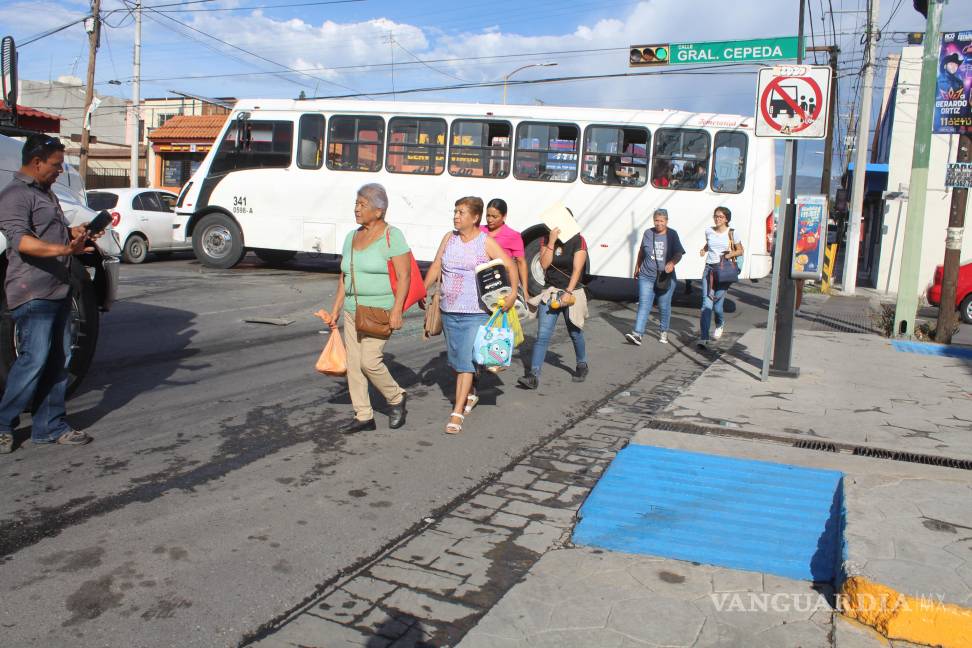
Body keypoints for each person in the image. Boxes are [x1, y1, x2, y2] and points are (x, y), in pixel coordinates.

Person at [0, 135, 101, 453]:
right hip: (34, 292)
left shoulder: (46, 193)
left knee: (60, 361)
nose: (60, 171)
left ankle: (49, 426)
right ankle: (3, 425)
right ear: (36, 162)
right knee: (34, 360)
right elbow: (21, 241)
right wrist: (65, 249)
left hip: (58, 289)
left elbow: (49, 233)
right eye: (56, 165)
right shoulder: (15, 195)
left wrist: (75, 233)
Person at [322, 183, 411, 434]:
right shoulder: (352, 237)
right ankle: (363, 416)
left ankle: (396, 397)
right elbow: (344, 275)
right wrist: (336, 309)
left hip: (380, 311)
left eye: (362, 204)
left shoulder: (393, 236)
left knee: (369, 362)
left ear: (379, 211)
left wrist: (397, 310)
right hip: (353, 310)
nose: (357, 209)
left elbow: (404, 276)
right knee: (354, 365)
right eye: (356, 203)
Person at [424, 196, 516, 435]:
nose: (456, 216)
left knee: (464, 360)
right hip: (448, 310)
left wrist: (513, 293)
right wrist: (422, 290)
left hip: (475, 312)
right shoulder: (449, 238)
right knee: (457, 361)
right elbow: (436, 265)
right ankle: (470, 392)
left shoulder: (485, 242)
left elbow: (510, 265)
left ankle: (457, 411)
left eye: (461, 212)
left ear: (475, 217)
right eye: (455, 211)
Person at [518, 219, 589, 390]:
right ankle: (533, 375)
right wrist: (551, 241)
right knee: (543, 335)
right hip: (551, 291)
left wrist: (569, 292)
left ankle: (582, 364)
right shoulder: (546, 238)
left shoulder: (578, 240)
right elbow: (544, 264)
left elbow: (577, 269)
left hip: (572, 292)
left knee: (575, 332)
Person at [625, 208, 685, 346]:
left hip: (665, 277)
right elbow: (642, 251)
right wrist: (637, 266)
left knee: (663, 306)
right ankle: (638, 334)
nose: (659, 223)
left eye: (662, 221)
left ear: (667, 221)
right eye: (656, 220)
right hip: (646, 275)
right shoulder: (648, 233)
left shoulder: (672, 234)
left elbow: (678, 253)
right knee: (644, 304)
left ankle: (663, 331)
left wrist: (672, 263)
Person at [697, 206, 743, 349]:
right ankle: (704, 337)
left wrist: (729, 255)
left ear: (726, 219)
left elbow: (740, 250)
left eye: (720, 217)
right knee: (706, 304)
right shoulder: (709, 231)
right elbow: (709, 244)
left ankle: (720, 323)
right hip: (709, 270)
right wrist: (704, 250)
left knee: (717, 306)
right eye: (716, 216)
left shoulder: (732, 233)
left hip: (724, 271)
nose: (717, 219)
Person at [482, 198, 530, 304]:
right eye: (488, 215)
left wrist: (525, 290)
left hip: (503, 285)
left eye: (494, 216)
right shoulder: (479, 231)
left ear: (504, 216)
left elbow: (521, 262)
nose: (490, 219)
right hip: (481, 282)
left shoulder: (513, 235)